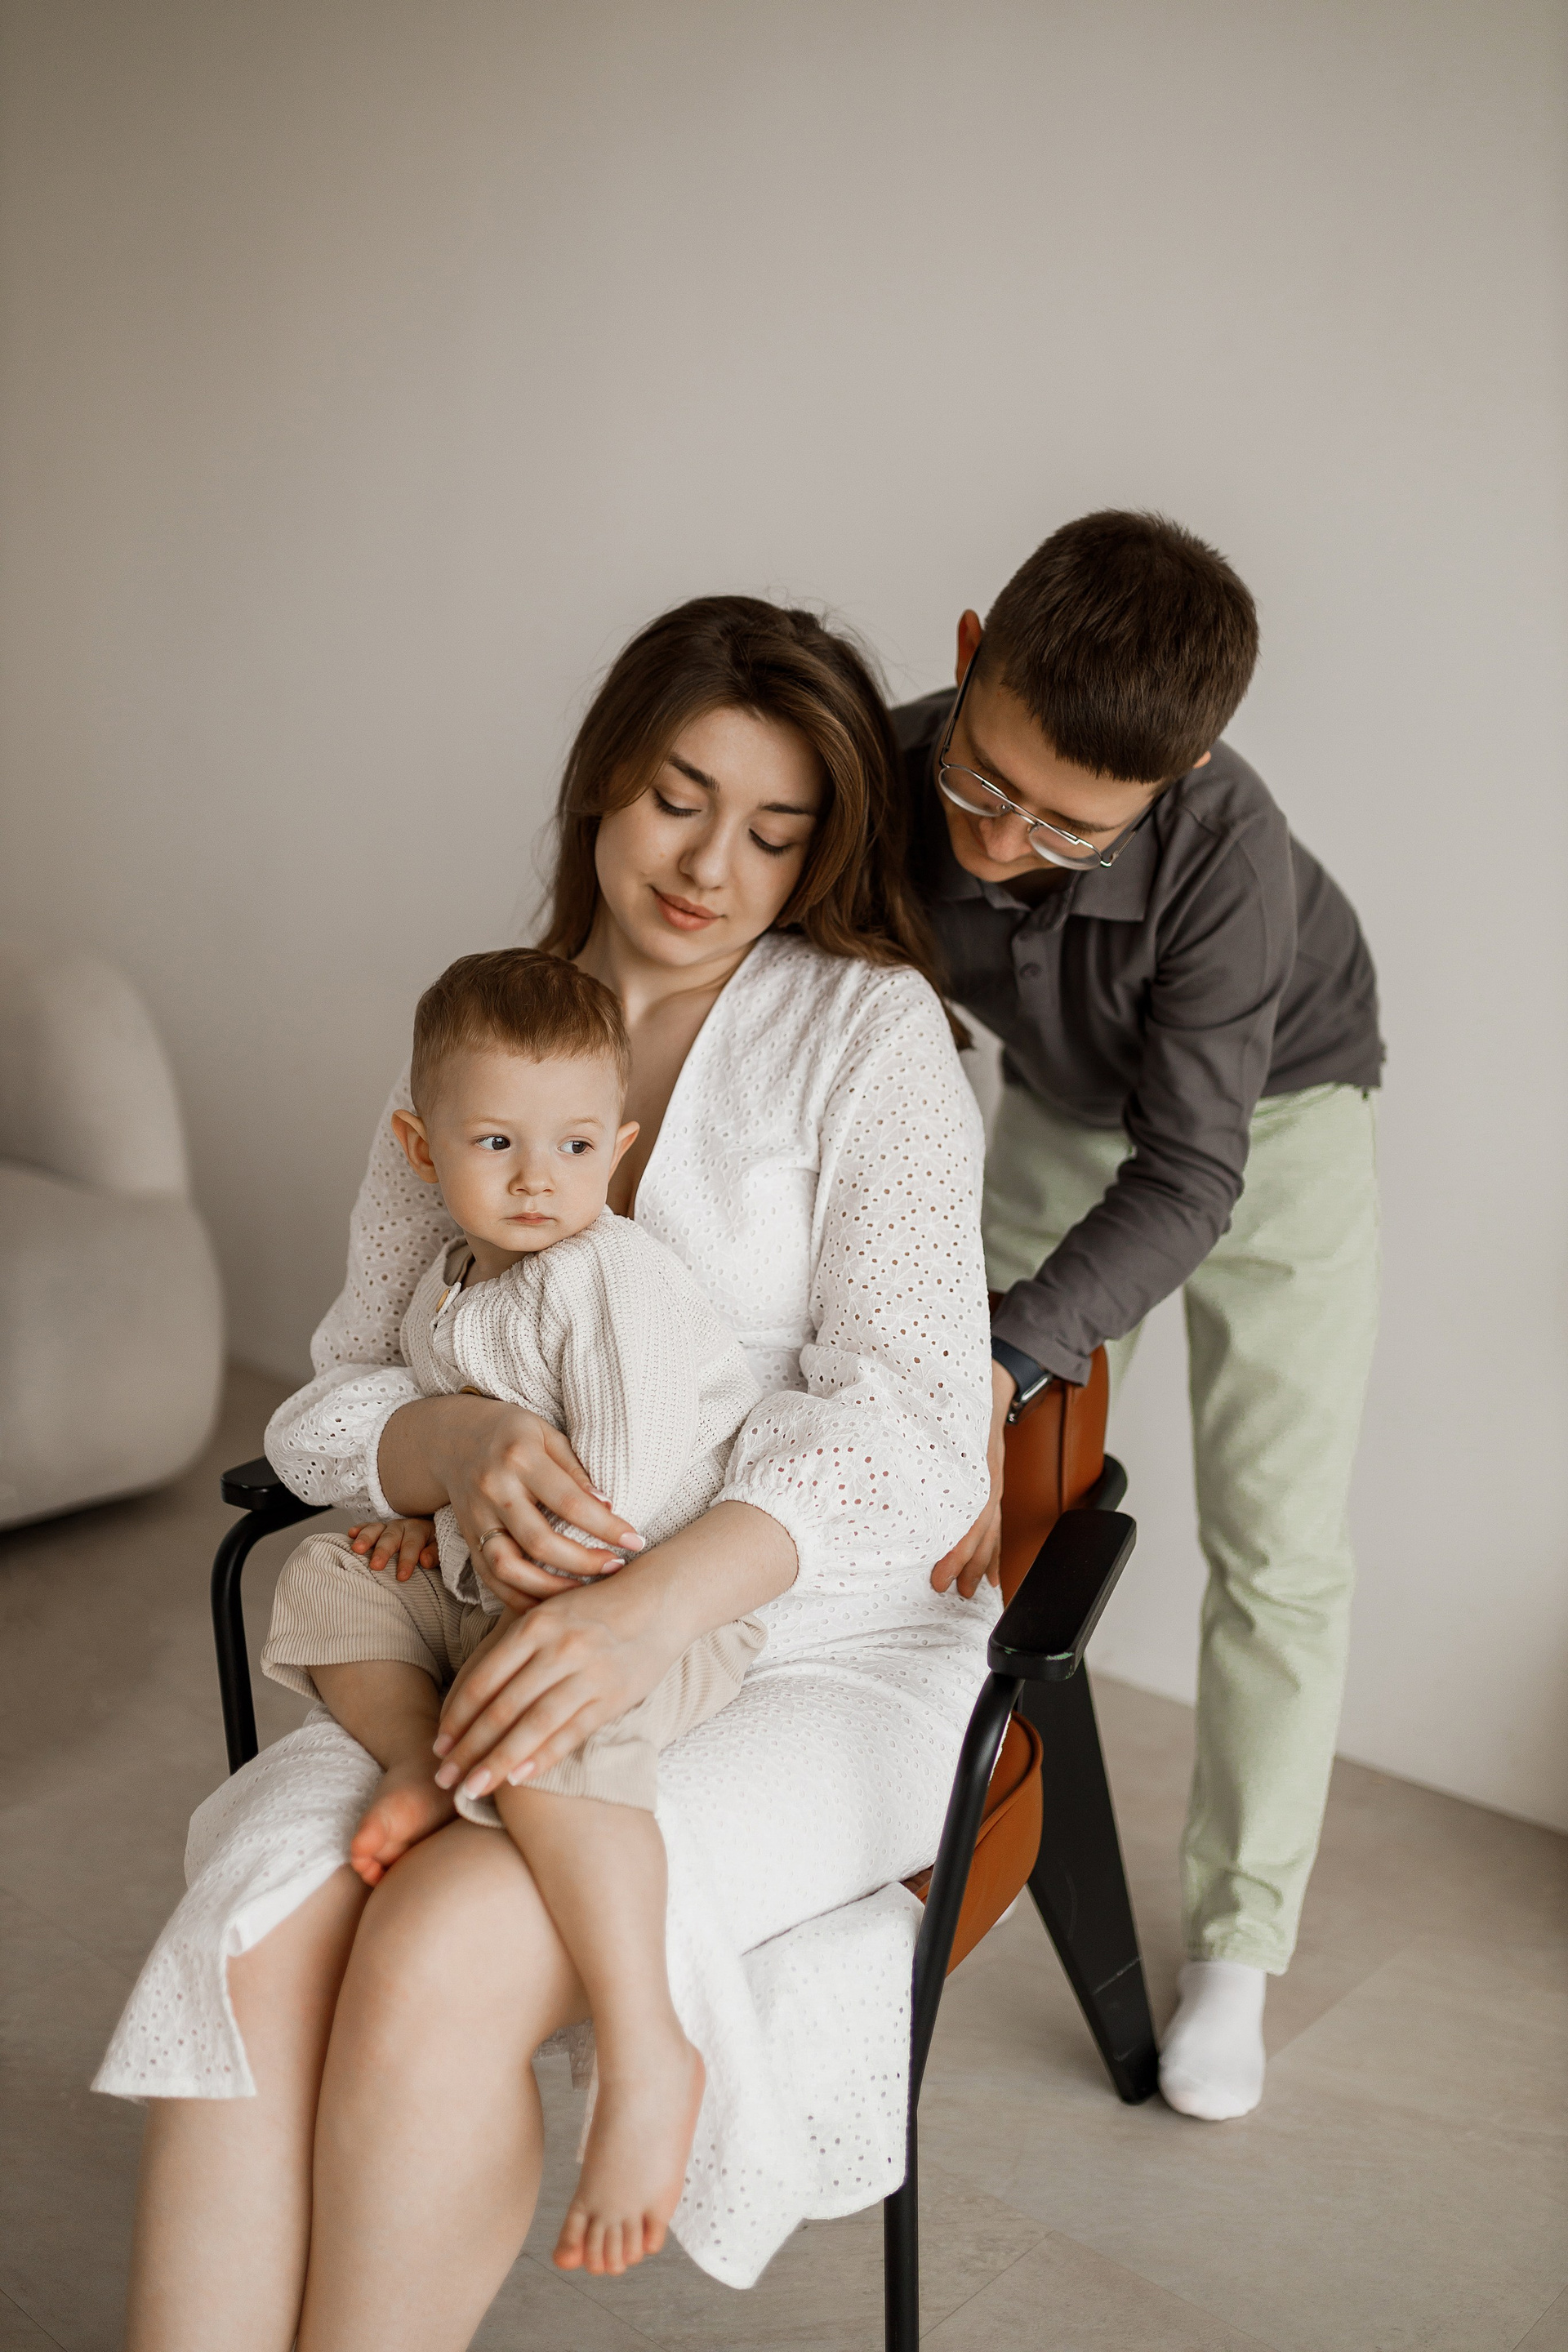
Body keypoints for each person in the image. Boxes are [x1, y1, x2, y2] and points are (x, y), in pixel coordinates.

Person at [96, 595, 996, 2344]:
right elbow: (337, 1395)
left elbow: (913, 1424)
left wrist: (642, 1615)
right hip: (488, 1621)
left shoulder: (865, 1034)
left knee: (439, 1943)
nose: (712, 866)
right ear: (600, 779)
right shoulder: (480, 1035)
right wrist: (453, 1443)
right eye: (677, 799)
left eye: (775, 831)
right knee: (258, 1936)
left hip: (815, 1640)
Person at [908, 510, 1382, 2123]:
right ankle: (925, 1797)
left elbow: (1192, 1175)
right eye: (987, 784)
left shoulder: (1231, 851)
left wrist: (1008, 1350)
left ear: (1174, 782)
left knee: (1277, 1542)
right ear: (969, 657)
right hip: (1062, 1112)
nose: (1000, 842)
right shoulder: (875, 767)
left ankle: (1239, 1946)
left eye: (1065, 828)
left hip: (1275, 1130)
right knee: (951, 1470)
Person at [258, 945, 767, 2271]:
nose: (540, 1177)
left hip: (633, 1595)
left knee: (546, 1724)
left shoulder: (609, 1277)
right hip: (502, 1579)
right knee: (325, 1577)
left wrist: (473, 1537)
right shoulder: (449, 1283)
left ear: (621, 1148)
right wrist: (422, 1516)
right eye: (497, 1143)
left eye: (576, 1145)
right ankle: (420, 1763)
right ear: (422, 1151)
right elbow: (450, 1449)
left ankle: (648, 2045)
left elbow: (618, 1494)